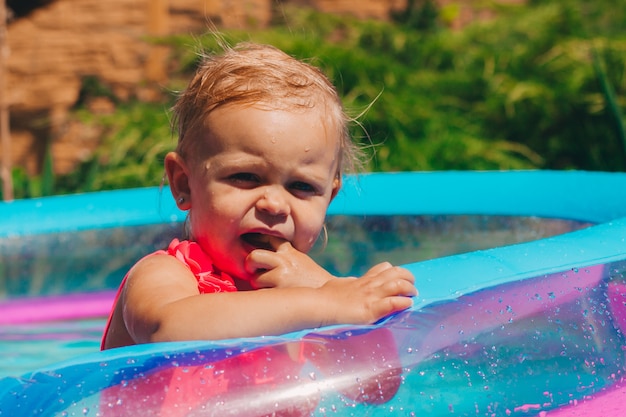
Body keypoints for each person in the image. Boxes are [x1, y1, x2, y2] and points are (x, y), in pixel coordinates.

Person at [101, 42, 417, 351]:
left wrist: (329, 289)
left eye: (302, 187)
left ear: (329, 197)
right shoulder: (165, 276)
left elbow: (375, 390)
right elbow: (167, 330)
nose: (275, 205)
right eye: (246, 177)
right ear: (184, 184)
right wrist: (324, 302)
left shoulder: (310, 292)